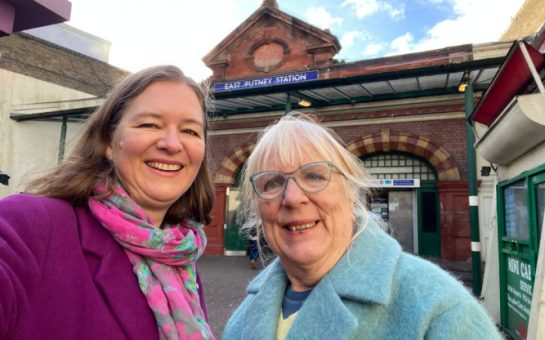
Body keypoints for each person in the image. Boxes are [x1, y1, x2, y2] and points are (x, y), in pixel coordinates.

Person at [223, 113, 502, 339]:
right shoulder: (244, 317)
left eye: (314, 176)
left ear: (349, 194)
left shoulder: (438, 307)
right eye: (272, 183)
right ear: (258, 210)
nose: (292, 198)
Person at [0, 65, 216, 340]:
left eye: (190, 131)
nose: (172, 144)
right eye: (149, 124)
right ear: (108, 142)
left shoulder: (180, 259)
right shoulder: (28, 225)